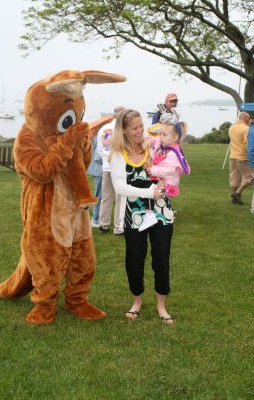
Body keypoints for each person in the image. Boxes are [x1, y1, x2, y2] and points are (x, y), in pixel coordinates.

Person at [109, 109, 175, 324]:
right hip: (134, 216)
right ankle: (136, 302)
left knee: (161, 260)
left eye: (141, 125)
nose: (140, 130)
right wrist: (149, 192)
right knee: (134, 260)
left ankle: (161, 305)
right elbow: (119, 187)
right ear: (124, 131)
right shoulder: (118, 153)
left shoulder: (154, 145)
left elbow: (174, 166)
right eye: (134, 128)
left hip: (162, 213)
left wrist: (168, 181)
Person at [138, 121, 190, 231]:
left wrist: (153, 170)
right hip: (161, 179)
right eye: (160, 133)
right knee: (148, 191)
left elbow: (171, 171)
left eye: (164, 135)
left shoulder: (173, 153)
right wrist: (150, 141)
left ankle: (150, 216)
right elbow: (155, 140)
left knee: (149, 192)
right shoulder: (165, 145)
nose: (160, 137)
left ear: (175, 137)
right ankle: (151, 215)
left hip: (168, 184)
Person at [97, 106, 125, 235]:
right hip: (120, 167)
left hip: (106, 167)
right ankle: (119, 227)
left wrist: (105, 159)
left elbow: (98, 150)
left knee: (106, 197)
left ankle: (103, 224)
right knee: (120, 197)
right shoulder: (123, 129)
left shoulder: (103, 129)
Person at [229, 111, 253, 205]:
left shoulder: (232, 127)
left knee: (234, 177)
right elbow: (248, 144)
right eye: (249, 118)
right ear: (245, 118)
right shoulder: (246, 128)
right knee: (249, 177)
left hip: (233, 156)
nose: (250, 120)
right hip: (243, 156)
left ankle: (234, 198)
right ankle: (237, 193)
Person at [87, 135, 103, 228]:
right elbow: (98, 156)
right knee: (99, 195)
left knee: (100, 194)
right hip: (99, 170)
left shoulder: (95, 136)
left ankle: (98, 218)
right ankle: (95, 219)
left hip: (96, 169)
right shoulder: (99, 137)